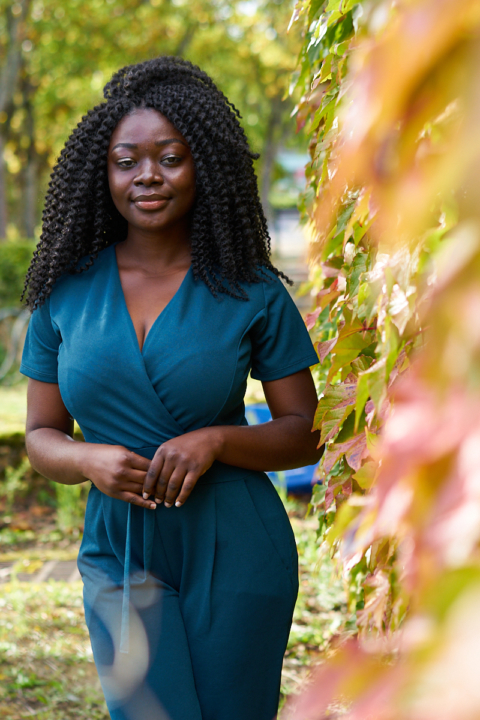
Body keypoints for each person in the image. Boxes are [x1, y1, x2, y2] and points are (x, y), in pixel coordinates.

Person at [20, 56, 322, 720]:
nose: (147, 176)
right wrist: (85, 459)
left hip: (237, 546)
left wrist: (217, 439)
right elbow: (41, 434)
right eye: (127, 161)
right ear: (103, 175)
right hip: (118, 549)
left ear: (205, 168)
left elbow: (304, 432)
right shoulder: (63, 293)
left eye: (170, 158)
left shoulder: (251, 291)